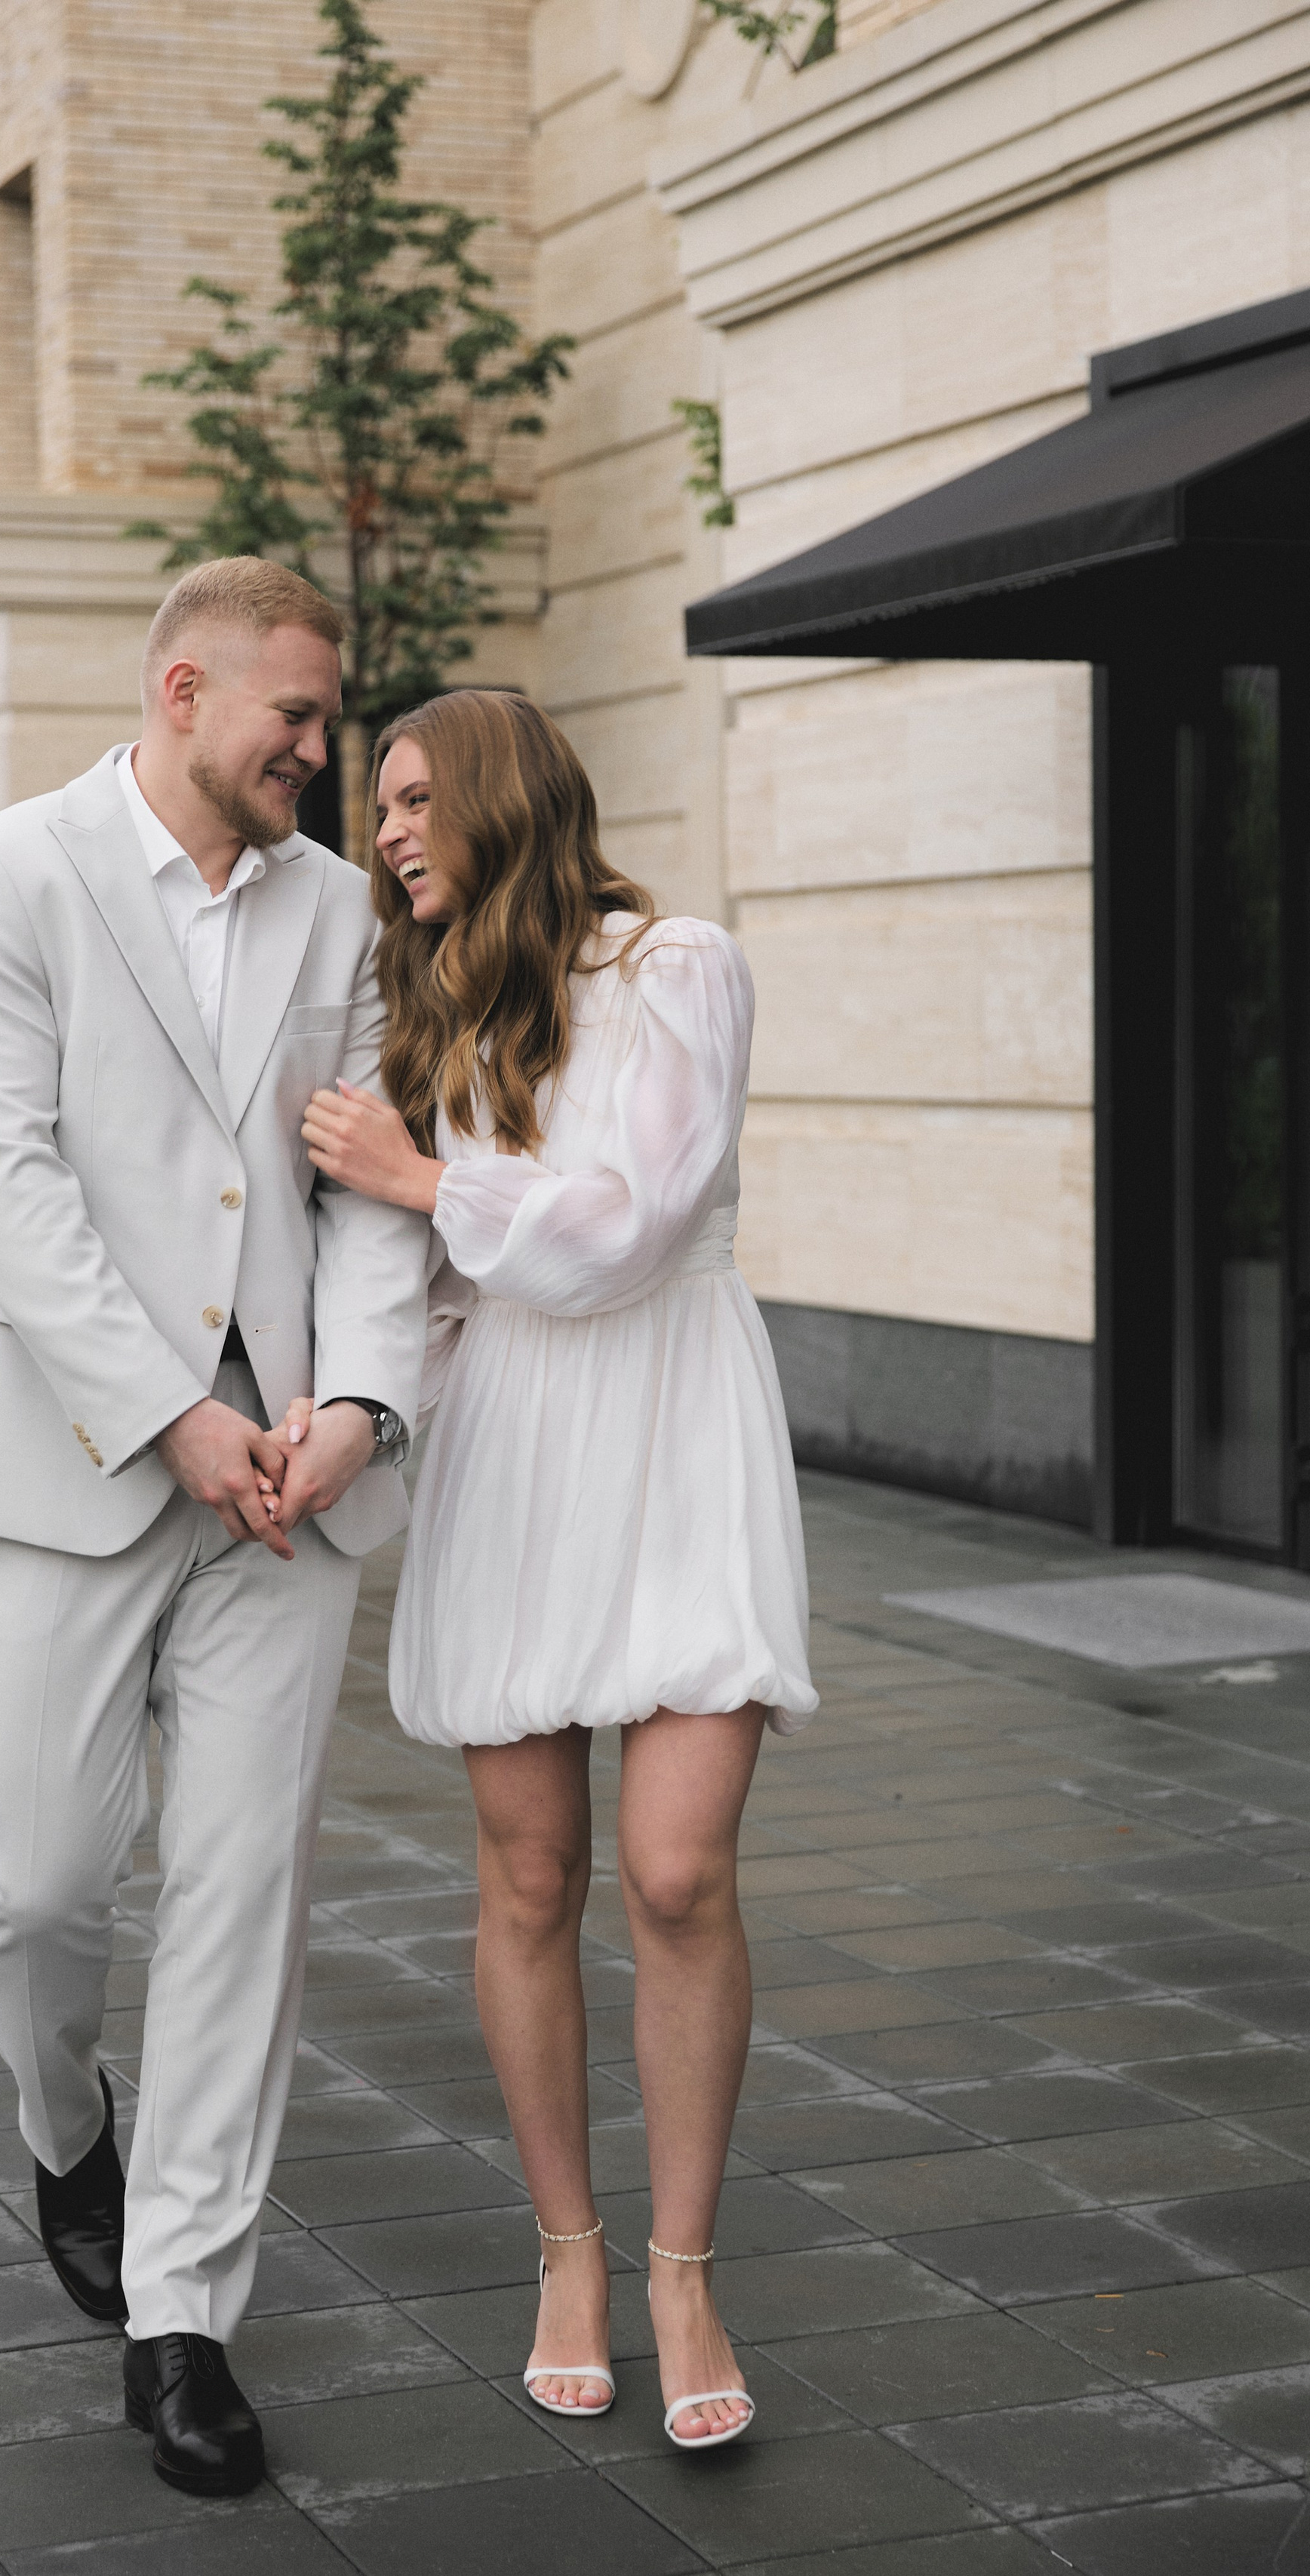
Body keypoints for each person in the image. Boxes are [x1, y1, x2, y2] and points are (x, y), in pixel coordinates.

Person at [0, 557, 429, 2499]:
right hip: (69, 1456)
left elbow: (372, 1185)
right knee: (33, 1886)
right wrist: (172, 1414)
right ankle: (64, 2136)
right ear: (186, 691)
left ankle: (182, 2309)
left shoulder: (343, 914)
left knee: (241, 1897)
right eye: (296, 715)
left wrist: (359, 1406)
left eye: (329, 714)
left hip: (291, 1488)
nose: (323, 746)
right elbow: (1, 1178)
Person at [298, 688, 816, 2454]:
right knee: (528, 1878)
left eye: (415, 796)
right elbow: (429, 1288)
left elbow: (626, 1229)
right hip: (514, 1448)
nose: (387, 831)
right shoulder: (424, 1007)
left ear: (505, 796)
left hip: (672, 1428)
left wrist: (415, 1174)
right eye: (376, 804)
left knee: (675, 1876)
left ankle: (684, 2266)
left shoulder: (676, 967)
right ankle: (567, 2253)